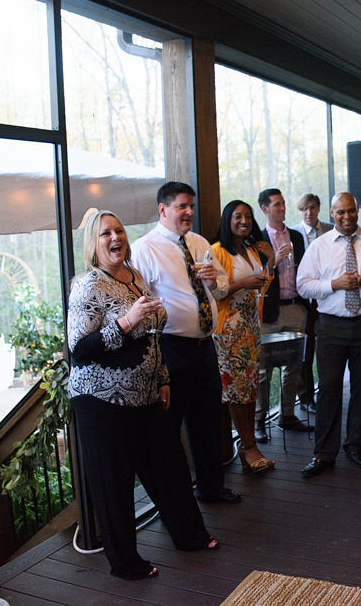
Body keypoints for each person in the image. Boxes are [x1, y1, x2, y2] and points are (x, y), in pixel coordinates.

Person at [67, 210, 216, 581]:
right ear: (93, 243)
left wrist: (162, 378)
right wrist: (126, 322)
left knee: (169, 467)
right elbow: (78, 349)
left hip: (146, 395)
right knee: (114, 483)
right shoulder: (89, 285)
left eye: (119, 230)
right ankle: (126, 564)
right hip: (102, 401)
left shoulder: (135, 277)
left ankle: (190, 536)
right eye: (105, 234)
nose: (115, 237)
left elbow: (152, 335)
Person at [130, 182, 241, 504]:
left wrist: (213, 280)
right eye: (182, 206)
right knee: (169, 427)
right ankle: (176, 499)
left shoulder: (199, 241)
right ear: (163, 210)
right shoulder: (144, 250)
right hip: (169, 349)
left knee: (207, 421)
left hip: (205, 346)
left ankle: (211, 487)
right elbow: (139, 302)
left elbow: (221, 289)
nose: (189, 212)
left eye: (191, 206)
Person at [296, 192, 361, 477]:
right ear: (332, 213)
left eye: (351, 211)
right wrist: (334, 284)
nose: (346, 217)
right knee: (328, 388)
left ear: (357, 211)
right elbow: (303, 286)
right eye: (340, 212)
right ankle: (323, 454)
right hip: (330, 326)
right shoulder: (319, 247)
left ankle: (355, 446)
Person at [210, 200, 276, 474]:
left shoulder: (250, 250)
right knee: (236, 391)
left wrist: (270, 259)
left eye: (247, 217)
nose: (243, 221)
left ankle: (248, 444)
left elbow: (264, 283)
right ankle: (249, 447)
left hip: (250, 327)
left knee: (250, 390)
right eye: (237, 216)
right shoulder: (216, 251)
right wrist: (242, 284)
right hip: (229, 330)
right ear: (228, 220)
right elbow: (214, 291)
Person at [256, 188, 313, 440]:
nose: (282, 208)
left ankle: (287, 415)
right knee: (263, 368)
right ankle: (259, 420)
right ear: (264, 209)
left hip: (296, 306)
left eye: (283, 204)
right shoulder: (257, 241)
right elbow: (255, 278)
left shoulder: (298, 237)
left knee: (294, 365)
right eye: (276, 205)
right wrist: (273, 262)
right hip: (269, 310)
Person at [294, 192, 333, 412]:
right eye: (304, 209)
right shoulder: (293, 233)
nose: (308, 213)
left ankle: (327, 392)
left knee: (327, 349)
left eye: (312, 208)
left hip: (330, 295)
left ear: (318, 208)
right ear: (299, 211)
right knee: (305, 351)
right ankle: (306, 398)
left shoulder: (330, 229)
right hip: (305, 299)